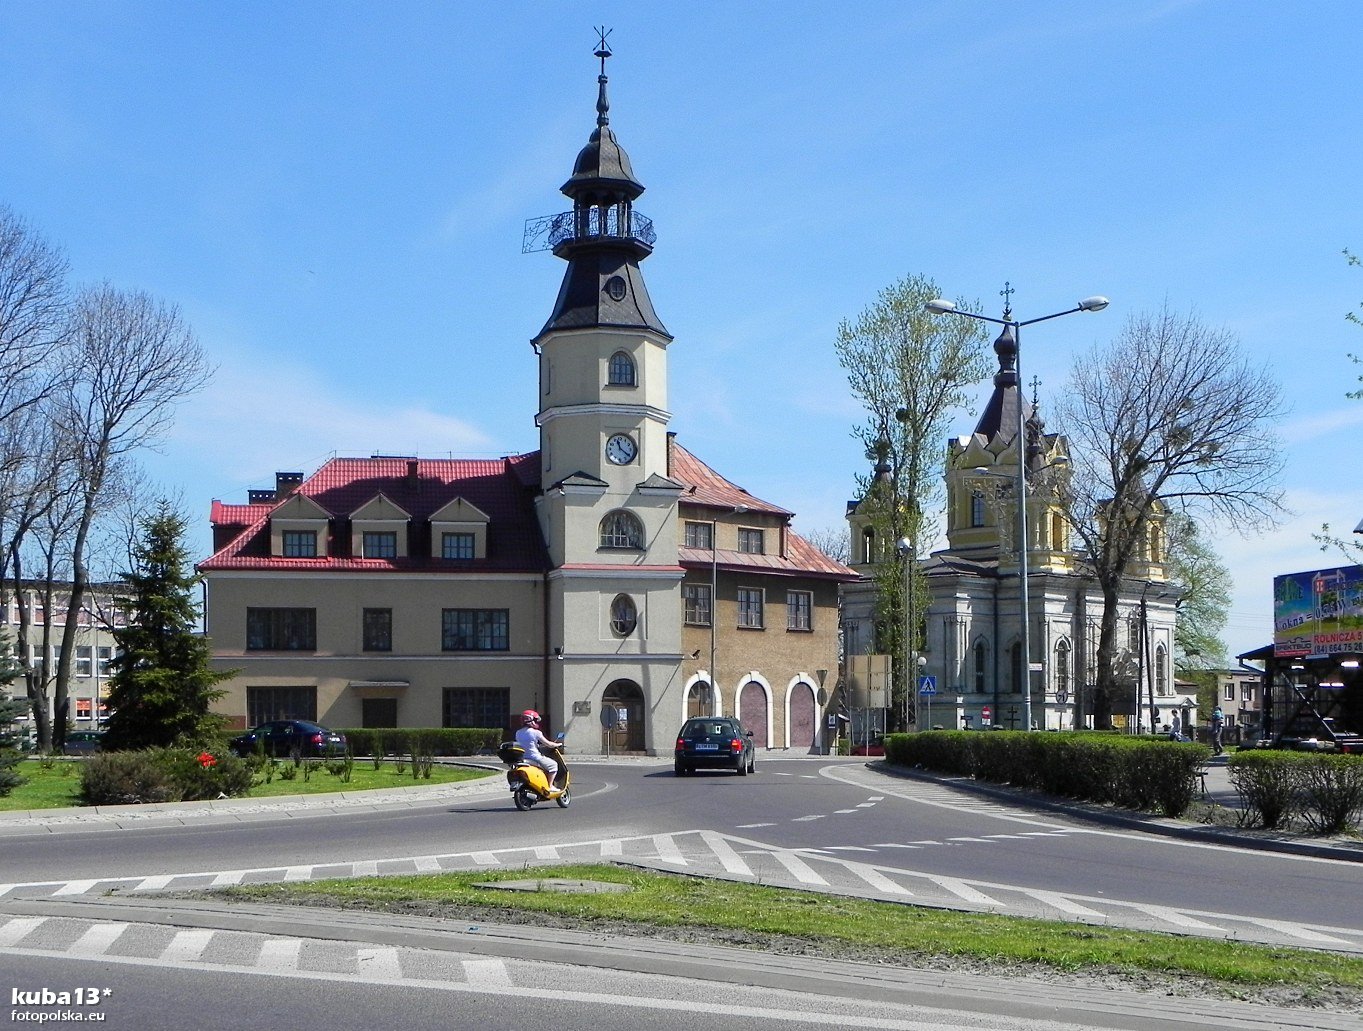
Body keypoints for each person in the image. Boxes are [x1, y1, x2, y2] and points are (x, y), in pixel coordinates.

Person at [514, 709, 561, 790]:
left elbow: (526, 743)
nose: (536, 722)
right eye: (535, 720)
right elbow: (549, 744)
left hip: (523, 758)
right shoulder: (536, 732)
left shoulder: (518, 733)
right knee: (553, 765)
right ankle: (550, 786)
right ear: (531, 720)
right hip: (535, 757)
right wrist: (558, 744)